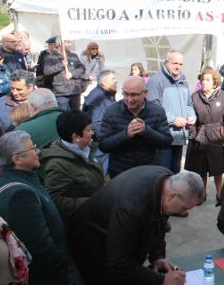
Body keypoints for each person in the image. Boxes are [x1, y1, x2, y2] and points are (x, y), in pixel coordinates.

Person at [68, 167, 204, 285]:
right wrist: (161, 280)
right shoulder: (132, 207)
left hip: (112, 231)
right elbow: (118, 263)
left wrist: (158, 256)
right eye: (184, 208)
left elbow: (160, 220)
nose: (184, 213)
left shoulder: (167, 182)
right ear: (172, 195)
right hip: (89, 240)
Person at [0, 131, 68, 284]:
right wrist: (62, 263)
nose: (38, 151)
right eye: (32, 148)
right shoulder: (20, 195)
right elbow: (40, 248)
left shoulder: (13, 179)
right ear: (17, 159)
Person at [97, 76, 172, 177]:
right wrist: (126, 134)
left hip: (147, 172)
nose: (129, 99)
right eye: (126, 94)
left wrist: (146, 131)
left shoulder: (157, 111)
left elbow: (166, 142)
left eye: (134, 95)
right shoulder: (111, 112)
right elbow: (103, 145)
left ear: (145, 93)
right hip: (120, 173)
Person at [39, 110, 104, 225]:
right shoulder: (57, 164)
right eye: (88, 130)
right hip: (81, 223)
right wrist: (93, 202)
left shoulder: (86, 148)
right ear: (76, 137)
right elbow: (55, 199)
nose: (92, 133)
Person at [185, 67, 224, 202]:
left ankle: (219, 194)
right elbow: (190, 115)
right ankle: (202, 194)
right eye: (203, 79)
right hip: (200, 136)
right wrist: (193, 134)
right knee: (201, 168)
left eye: (207, 80)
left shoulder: (223, 96)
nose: (204, 82)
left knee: (217, 168)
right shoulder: (195, 96)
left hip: (216, 137)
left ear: (215, 82)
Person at [43, 39, 86, 111]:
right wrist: (61, 65)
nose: (70, 44)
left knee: (76, 115)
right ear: (60, 44)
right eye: (67, 42)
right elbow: (47, 71)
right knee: (62, 114)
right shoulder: (50, 57)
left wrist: (72, 74)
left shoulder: (73, 56)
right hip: (61, 92)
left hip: (74, 90)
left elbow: (82, 68)